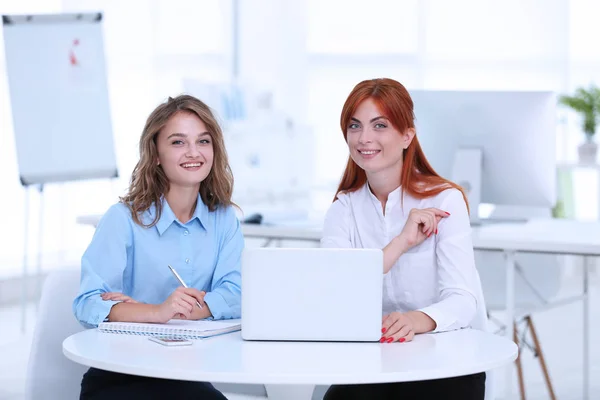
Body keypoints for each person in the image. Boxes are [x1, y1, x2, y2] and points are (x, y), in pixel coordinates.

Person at [320, 78, 488, 400]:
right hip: (374, 361)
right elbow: (337, 288)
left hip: (446, 360)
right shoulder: (344, 208)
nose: (364, 138)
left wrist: (415, 319)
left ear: (407, 135)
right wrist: (399, 243)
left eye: (379, 125)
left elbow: (463, 299)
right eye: (355, 126)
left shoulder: (444, 200)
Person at [73, 95, 242, 400]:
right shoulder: (122, 219)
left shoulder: (224, 219)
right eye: (178, 142)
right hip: (120, 374)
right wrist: (159, 311)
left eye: (203, 141)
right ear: (156, 155)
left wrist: (169, 310)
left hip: (187, 374)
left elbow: (237, 294)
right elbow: (87, 304)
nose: (193, 152)